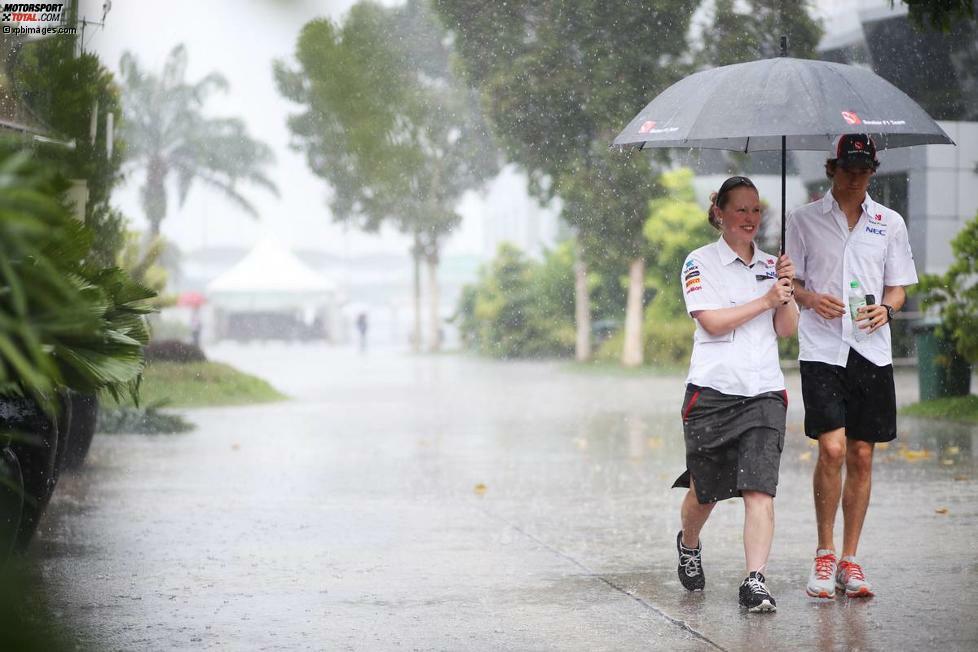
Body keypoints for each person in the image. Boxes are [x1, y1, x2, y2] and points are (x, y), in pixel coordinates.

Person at [785, 134, 918, 599]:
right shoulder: (801, 220)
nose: (856, 178)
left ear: (872, 172)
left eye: (864, 170)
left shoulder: (889, 222)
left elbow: (898, 286)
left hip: (871, 349)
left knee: (862, 453)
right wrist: (807, 297)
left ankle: (850, 560)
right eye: (848, 169)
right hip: (822, 348)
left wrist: (888, 309)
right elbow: (791, 283)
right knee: (833, 450)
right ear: (832, 169)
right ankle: (823, 554)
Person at [673, 175, 798, 613]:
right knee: (705, 492)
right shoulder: (698, 263)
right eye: (741, 209)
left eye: (756, 209)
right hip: (712, 393)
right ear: (719, 213)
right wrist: (765, 301)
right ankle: (689, 543)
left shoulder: (771, 266)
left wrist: (786, 293)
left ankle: (755, 580)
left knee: (759, 490)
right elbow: (710, 321)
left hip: (764, 391)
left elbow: (786, 330)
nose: (750, 218)